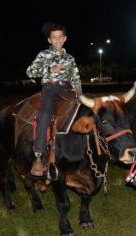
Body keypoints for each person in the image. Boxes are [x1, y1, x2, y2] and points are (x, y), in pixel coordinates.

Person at [26, 22, 82, 176]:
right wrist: (50, 69)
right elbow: (30, 72)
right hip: (51, 88)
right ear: (49, 40)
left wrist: (79, 93)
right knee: (44, 114)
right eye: (54, 38)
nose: (57, 40)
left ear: (65, 39)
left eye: (60, 37)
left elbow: (75, 77)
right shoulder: (44, 54)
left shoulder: (70, 58)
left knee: (84, 112)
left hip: (68, 89)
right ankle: (38, 155)